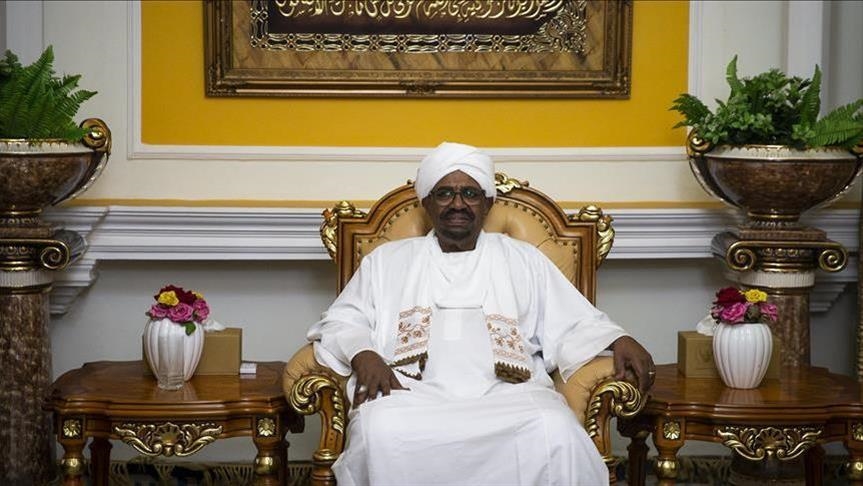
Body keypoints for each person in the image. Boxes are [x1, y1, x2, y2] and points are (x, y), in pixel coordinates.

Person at [307, 141, 655, 485]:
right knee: (379, 429)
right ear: (426, 202)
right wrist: (364, 355)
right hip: (410, 395)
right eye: (445, 193)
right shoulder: (387, 261)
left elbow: (573, 319)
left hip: (508, 397)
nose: (458, 204)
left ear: (487, 202)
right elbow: (342, 320)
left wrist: (618, 339)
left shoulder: (523, 258)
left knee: (555, 429)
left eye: (470, 194)